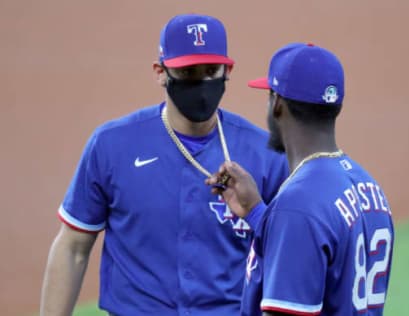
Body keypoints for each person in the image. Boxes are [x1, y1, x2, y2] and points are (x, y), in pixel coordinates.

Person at [39, 14, 288, 316]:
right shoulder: (112, 145)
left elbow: (288, 256)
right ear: (160, 72)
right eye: (188, 72)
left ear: (228, 70)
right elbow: (73, 248)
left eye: (211, 71)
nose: (201, 83)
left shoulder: (266, 155)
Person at [206, 43, 395, 315]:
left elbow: (305, 224)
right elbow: (325, 262)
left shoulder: (297, 205)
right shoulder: (369, 188)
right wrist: (259, 214)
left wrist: (280, 216)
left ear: (278, 104)